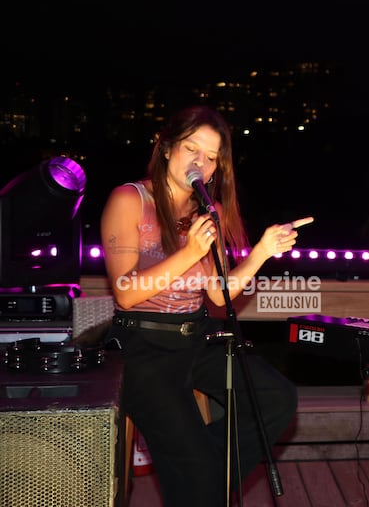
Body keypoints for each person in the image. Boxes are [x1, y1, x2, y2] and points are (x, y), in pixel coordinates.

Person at [100, 105, 313, 507]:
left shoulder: (205, 214)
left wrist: (263, 252)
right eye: (191, 149)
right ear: (165, 148)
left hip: (195, 340)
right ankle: (200, 479)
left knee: (276, 397)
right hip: (143, 349)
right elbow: (126, 293)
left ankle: (201, 477)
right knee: (199, 475)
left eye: (211, 157)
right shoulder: (130, 199)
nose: (201, 162)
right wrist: (189, 251)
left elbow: (218, 294)